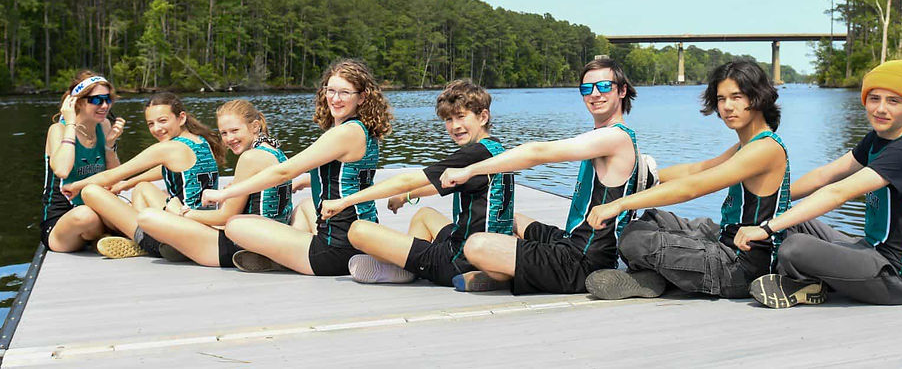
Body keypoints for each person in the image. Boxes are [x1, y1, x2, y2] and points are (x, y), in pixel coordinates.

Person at [735, 60, 902, 308]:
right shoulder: (877, 139)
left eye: (893, 101)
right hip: (870, 250)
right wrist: (771, 200)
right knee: (791, 220)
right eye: (874, 99)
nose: (881, 109)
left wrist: (766, 228)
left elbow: (838, 192)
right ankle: (807, 280)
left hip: (897, 278)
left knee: (794, 247)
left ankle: (807, 283)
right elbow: (825, 176)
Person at [584, 59, 791, 300]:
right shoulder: (747, 145)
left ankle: (655, 278)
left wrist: (620, 203)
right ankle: (661, 276)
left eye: (737, 97)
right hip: (727, 238)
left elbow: (692, 187)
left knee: (634, 241)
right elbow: (697, 170)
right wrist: (637, 175)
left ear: (758, 97)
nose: (727, 107)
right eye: (722, 99)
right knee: (651, 219)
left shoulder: (765, 149)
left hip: (743, 268)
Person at [438, 58, 639, 294]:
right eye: (587, 89)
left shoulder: (615, 137)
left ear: (622, 90)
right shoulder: (606, 136)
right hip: (571, 240)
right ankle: (506, 269)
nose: (595, 94)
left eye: (604, 86)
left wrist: (470, 170)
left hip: (584, 263)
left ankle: (500, 273)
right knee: (511, 219)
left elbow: (538, 152)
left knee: (476, 244)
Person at [201, 59, 393, 276]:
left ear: (362, 97)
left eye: (345, 93)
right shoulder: (364, 130)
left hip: (335, 251)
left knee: (236, 225)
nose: (335, 98)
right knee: (305, 205)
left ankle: (286, 258)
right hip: (362, 234)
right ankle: (288, 253)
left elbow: (283, 171)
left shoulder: (345, 133)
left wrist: (222, 194)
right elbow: (346, 177)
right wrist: (304, 181)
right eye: (331, 90)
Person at [318, 79, 513, 287]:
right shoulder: (493, 149)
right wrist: (407, 196)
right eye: (448, 119)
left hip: (457, 261)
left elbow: (407, 179)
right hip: (493, 250)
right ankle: (410, 263)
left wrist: (345, 202)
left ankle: (408, 268)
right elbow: (443, 182)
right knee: (424, 215)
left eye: (461, 117)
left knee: (358, 230)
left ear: (483, 117)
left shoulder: (471, 154)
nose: (455, 126)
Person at [63, 92, 224, 258]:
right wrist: (128, 183)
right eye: (151, 124)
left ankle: (147, 243)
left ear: (181, 118)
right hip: (203, 224)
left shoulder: (168, 148)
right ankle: (142, 237)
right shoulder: (201, 141)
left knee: (91, 192)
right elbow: (168, 168)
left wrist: (75, 186)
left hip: (183, 234)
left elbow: (112, 175)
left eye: (162, 121)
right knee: (142, 188)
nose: (156, 129)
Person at [136, 99, 292, 267]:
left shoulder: (250, 157)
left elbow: (224, 217)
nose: (229, 138)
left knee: (148, 216)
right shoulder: (275, 151)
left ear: (254, 126)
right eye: (224, 133)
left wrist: (181, 212)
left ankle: (149, 244)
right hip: (273, 237)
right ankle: (175, 244)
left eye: (234, 131)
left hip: (240, 246)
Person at [41, 71, 126, 252]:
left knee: (117, 208)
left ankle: (111, 238)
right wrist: (71, 123)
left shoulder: (104, 126)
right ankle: (107, 236)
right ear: (78, 102)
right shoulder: (57, 130)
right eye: (96, 100)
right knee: (86, 216)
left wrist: (110, 146)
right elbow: (62, 170)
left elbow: (115, 178)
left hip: (98, 209)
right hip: (63, 222)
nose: (104, 105)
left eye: (107, 99)